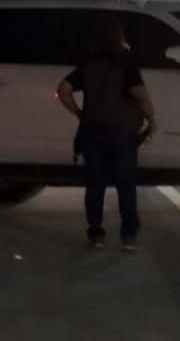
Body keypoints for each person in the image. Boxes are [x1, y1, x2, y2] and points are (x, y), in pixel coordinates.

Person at [56, 15, 157, 250]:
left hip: (93, 130)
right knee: (125, 185)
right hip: (122, 133)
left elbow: (63, 89)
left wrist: (79, 113)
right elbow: (142, 97)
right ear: (119, 38)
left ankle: (96, 234)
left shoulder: (89, 66)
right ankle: (128, 236)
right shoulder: (126, 66)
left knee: (95, 185)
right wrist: (152, 120)